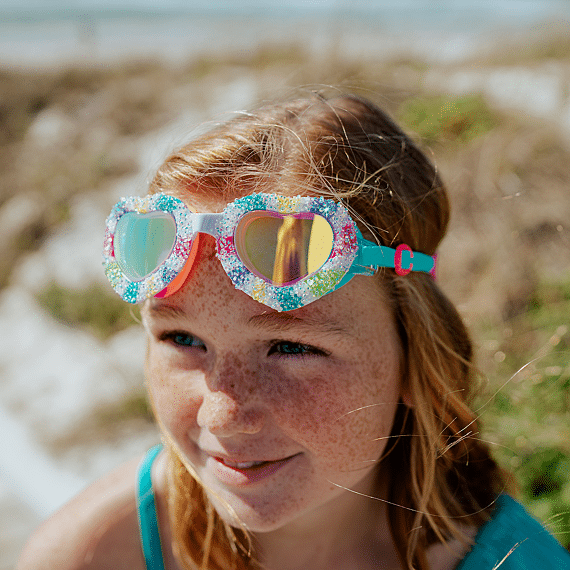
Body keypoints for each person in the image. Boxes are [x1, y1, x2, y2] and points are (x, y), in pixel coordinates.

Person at [17, 93, 570, 570]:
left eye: (290, 347)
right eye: (182, 339)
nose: (222, 415)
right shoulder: (90, 554)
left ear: (414, 354)